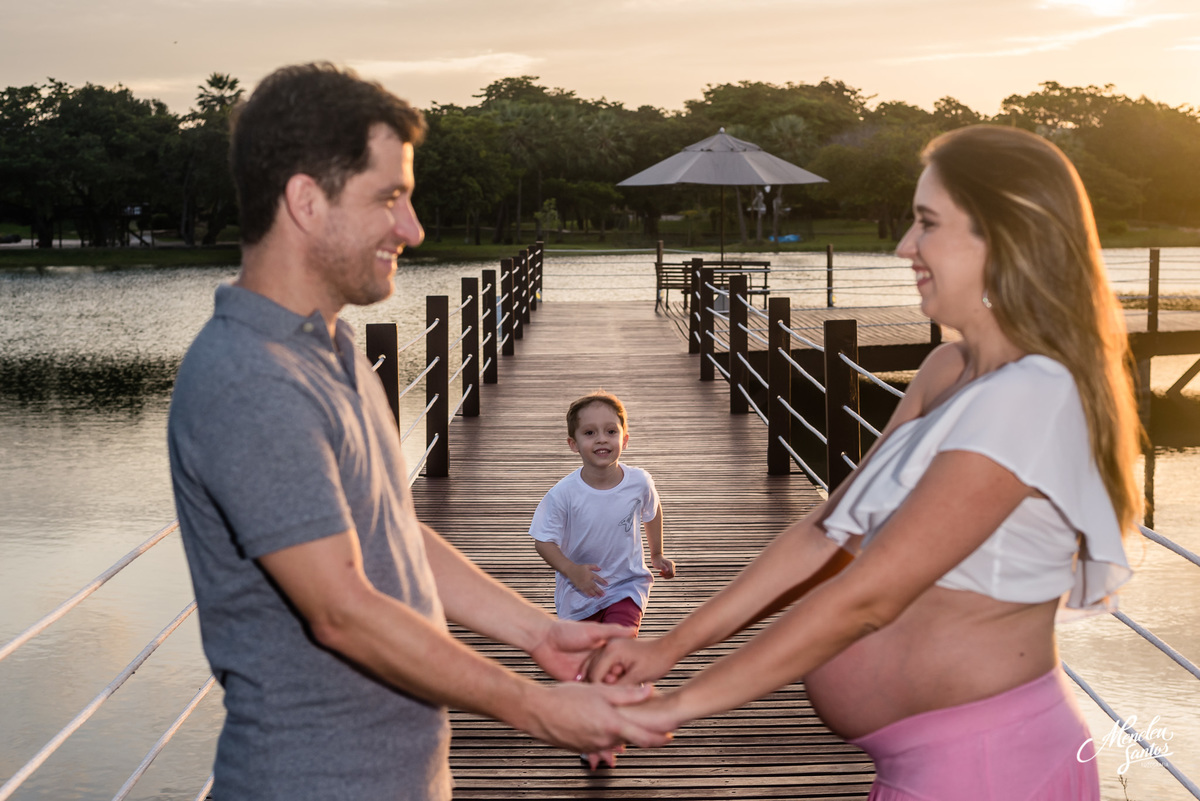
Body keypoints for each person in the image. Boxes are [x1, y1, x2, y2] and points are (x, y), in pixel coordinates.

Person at [594, 125, 1142, 800]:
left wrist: (673, 706)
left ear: (1004, 237)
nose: (904, 245)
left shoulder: (1038, 392)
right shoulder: (949, 369)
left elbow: (869, 597)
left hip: (990, 765)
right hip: (927, 763)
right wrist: (666, 649)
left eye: (927, 223)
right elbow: (827, 530)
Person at [167, 63, 666, 801]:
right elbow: (342, 610)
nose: (413, 228)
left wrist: (536, 632)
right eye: (389, 198)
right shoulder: (250, 377)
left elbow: (390, 530)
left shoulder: (326, 348)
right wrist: (532, 705)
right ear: (306, 200)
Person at [530, 392, 676, 634]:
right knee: (585, 656)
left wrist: (657, 553)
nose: (601, 440)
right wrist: (571, 570)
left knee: (619, 642)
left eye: (611, 431)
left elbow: (652, 511)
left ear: (625, 439)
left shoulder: (639, 482)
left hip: (626, 586)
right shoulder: (563, 493)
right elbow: (543, 541)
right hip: (579, 594)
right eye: (589, 433)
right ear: (573, 444)